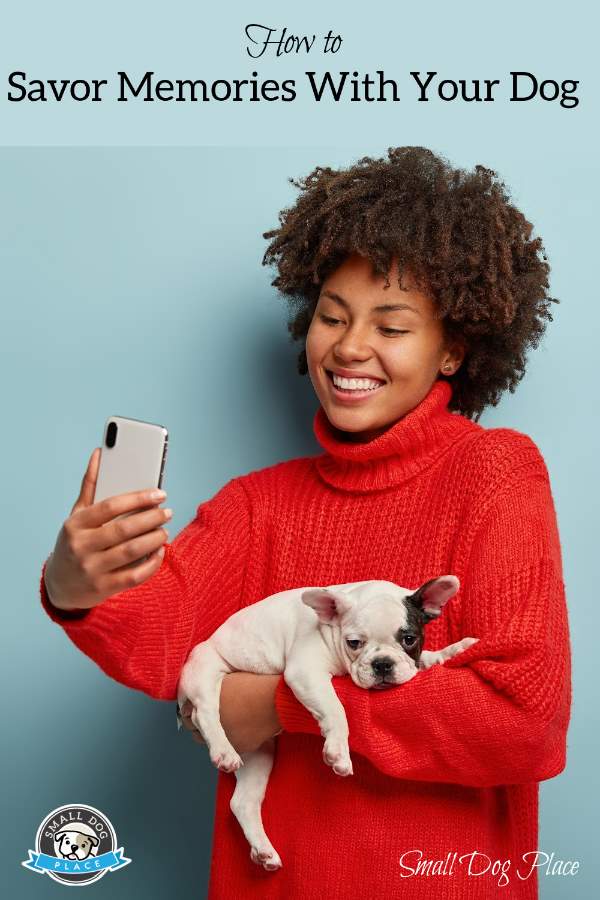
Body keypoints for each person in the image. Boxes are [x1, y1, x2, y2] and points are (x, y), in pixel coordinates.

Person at [40, 146, 571, 900]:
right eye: (331, 316)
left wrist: (275, 703)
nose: (350, 347)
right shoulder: (258, 504)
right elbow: (159, 641)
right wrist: (76, 585)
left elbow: (524, 720)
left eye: (392, 326)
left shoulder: (496, 473)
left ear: (454, 348)